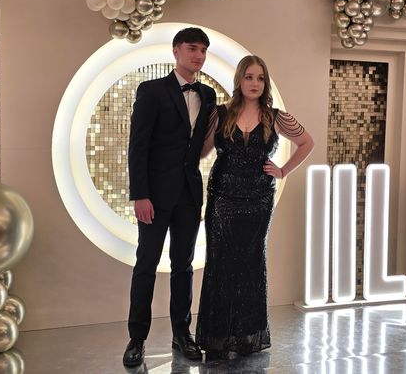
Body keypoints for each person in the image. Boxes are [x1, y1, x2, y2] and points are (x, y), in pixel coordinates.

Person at [195, 55, 314, 359]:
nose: (255, 83)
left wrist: (283, 170)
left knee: (251, 263)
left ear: (265, 82)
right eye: (249, 77)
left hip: (259, 199)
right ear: (239, 80)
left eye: (260, 78)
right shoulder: (220, 113)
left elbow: (307, 142)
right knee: (220, 263)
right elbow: (201, 151)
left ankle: (247, 336)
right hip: (222, 197)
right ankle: (218, 336)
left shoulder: (277, 117)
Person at [123, 27, 217, 367]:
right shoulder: (152, 90)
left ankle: (182, 334)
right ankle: (137, 339)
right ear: (176, 51)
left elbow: (202, 144)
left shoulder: (208, 95)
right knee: (146, 264)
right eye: (192, 48)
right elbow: (138, 146)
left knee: (184, 266)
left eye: (203, 50)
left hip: (190, 194)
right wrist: (140, 195)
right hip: (154, 196)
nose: (198, 55)